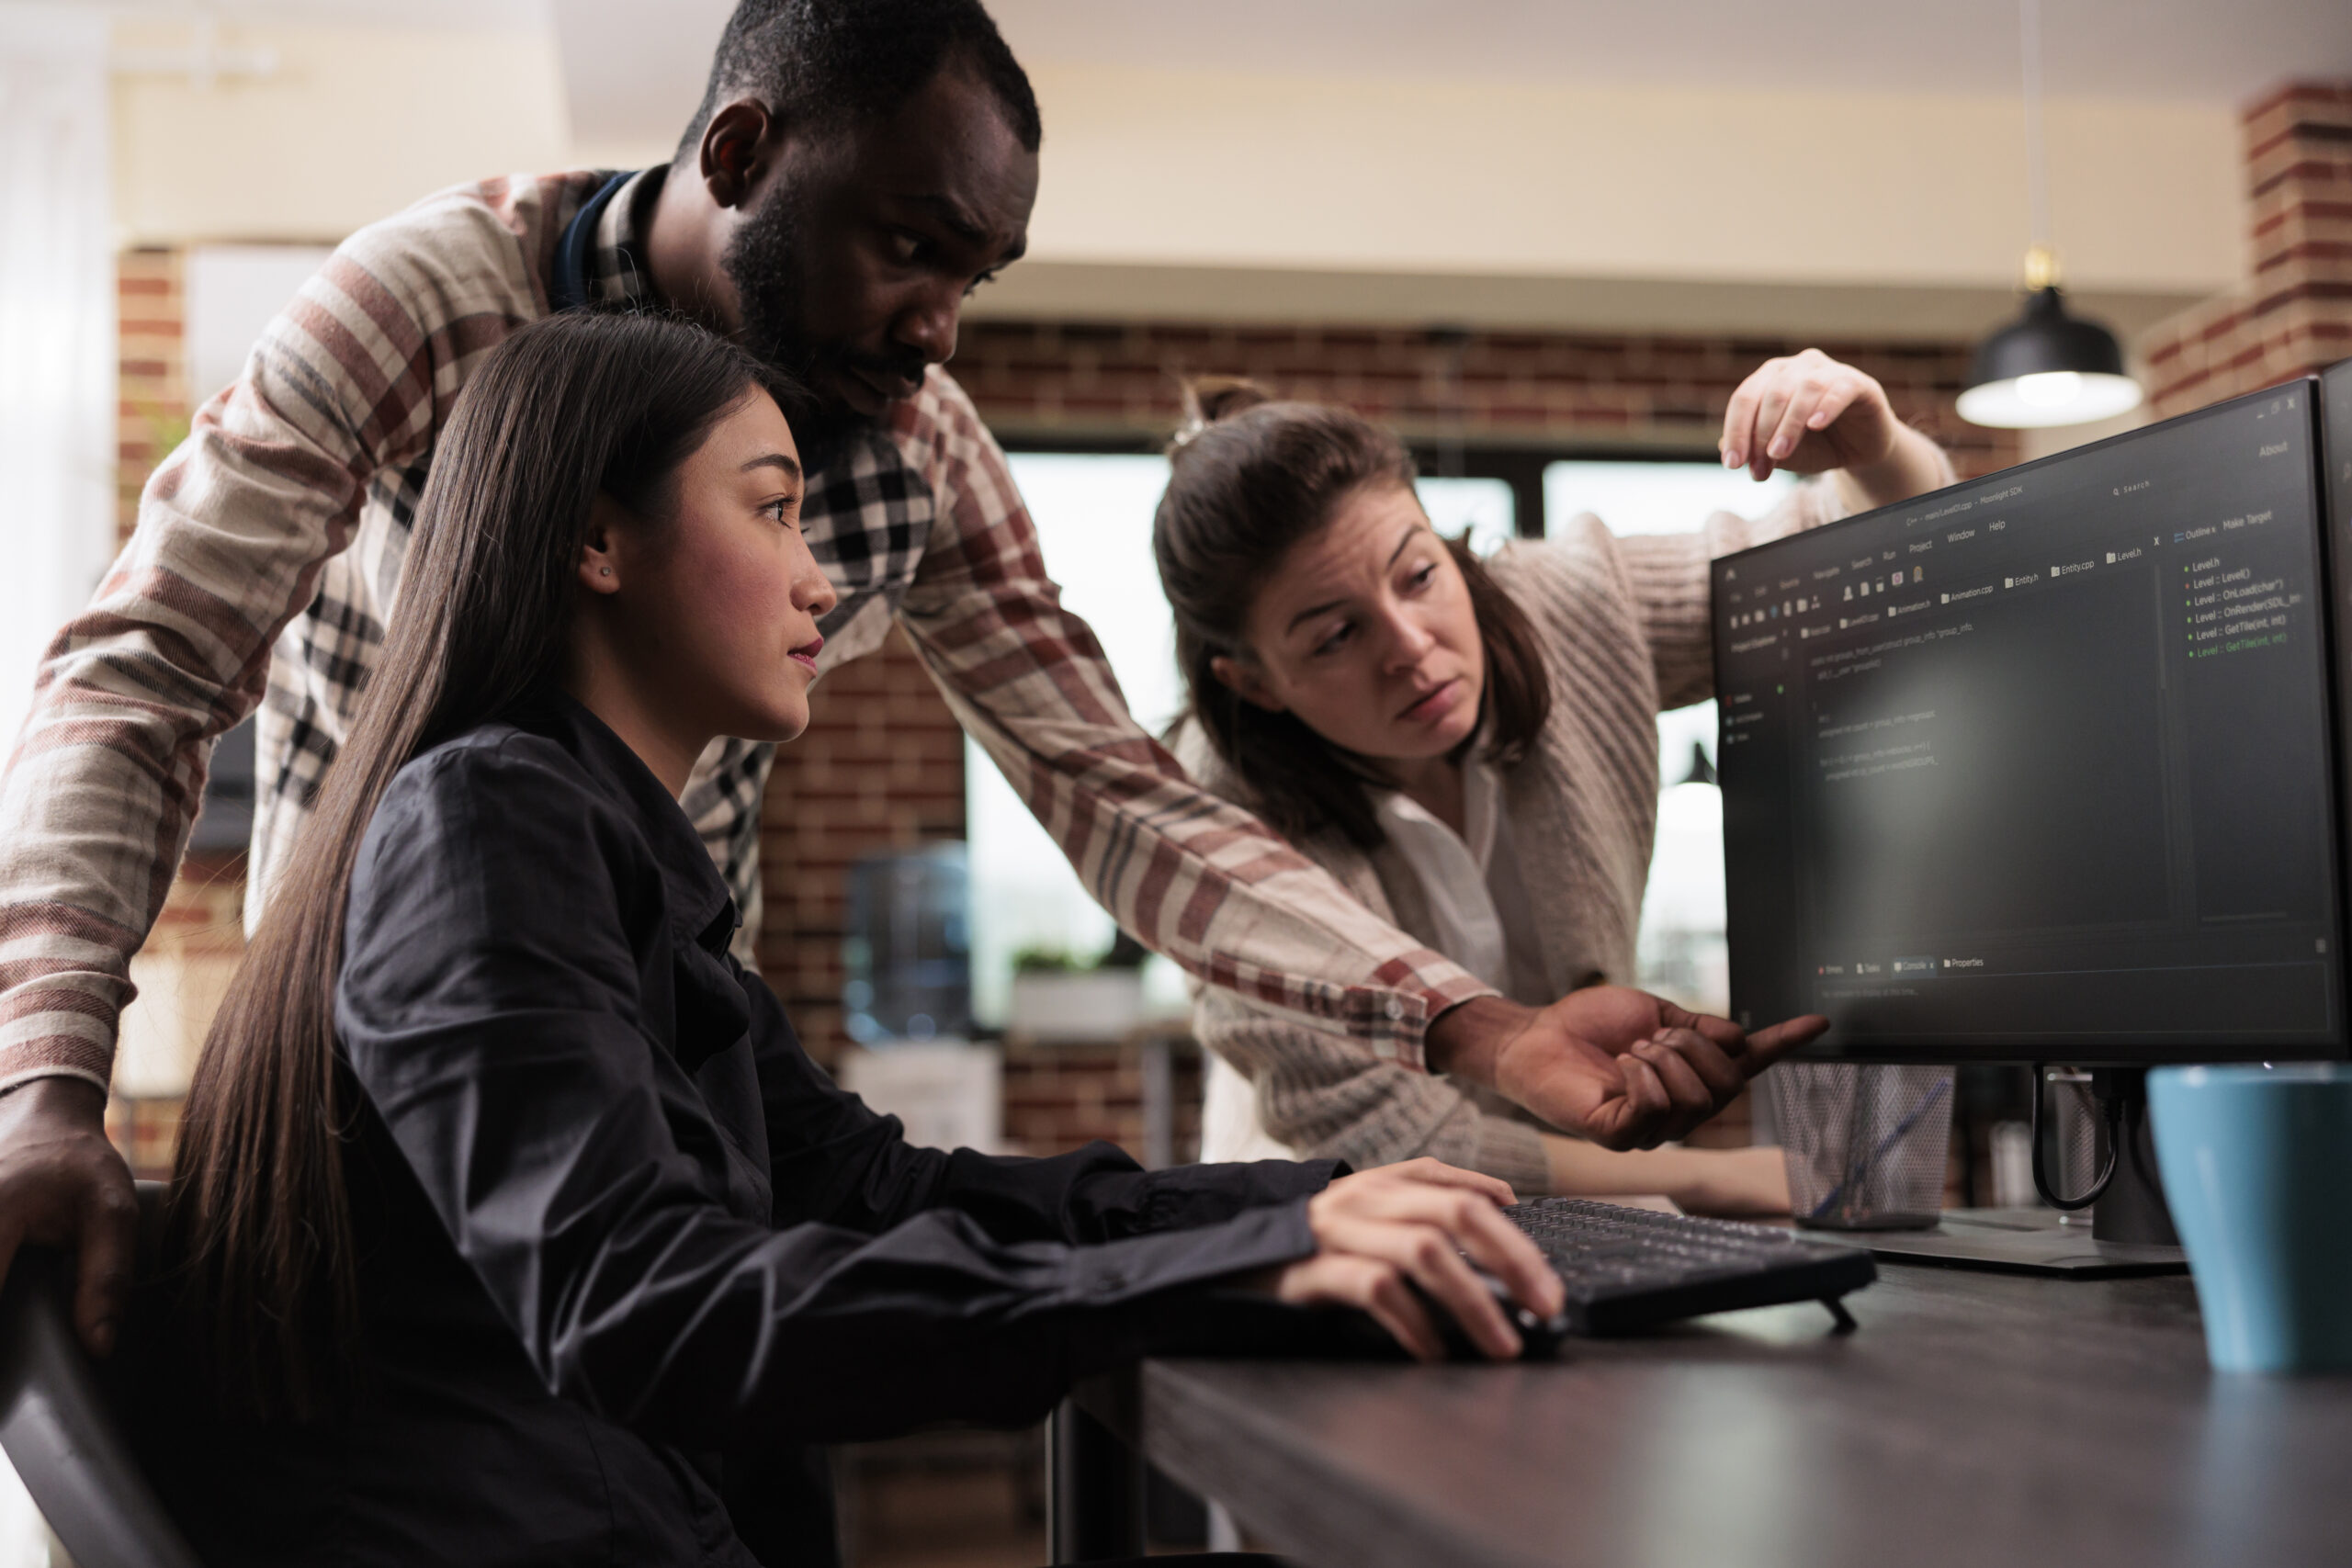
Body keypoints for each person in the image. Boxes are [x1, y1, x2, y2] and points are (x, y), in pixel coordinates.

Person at [0, 0, 1785, 1365]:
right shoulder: (428, 308)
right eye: (912, 246)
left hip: (669, 1059)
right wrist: (42, 1087)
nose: (942, 327)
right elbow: (144, 671)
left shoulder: (910, 434)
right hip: (391, 1096)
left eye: (977, 275)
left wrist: (1451, 1040)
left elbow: (1111, 787)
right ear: (742, 147)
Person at [130, 310, 1566, 1568]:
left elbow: (872, 1186)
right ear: (593, 538)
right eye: (771, 511)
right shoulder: (487, 821)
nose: (822, 581)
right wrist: (1235, 1268)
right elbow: (640, 1304)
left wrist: (1301, 1207)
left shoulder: (600, 845)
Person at [1152, 357, 1955, 1214]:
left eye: (1419, 575)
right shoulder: (1219, 806)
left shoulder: (1570, 610)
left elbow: (1839, 574)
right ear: (1254, 683)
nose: (1411, 646)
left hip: (1595, 1180)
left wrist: (1876, 452)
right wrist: (1712, 1174)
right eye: (1337, 634)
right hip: (1344, 1203)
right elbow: (1377, 1135)